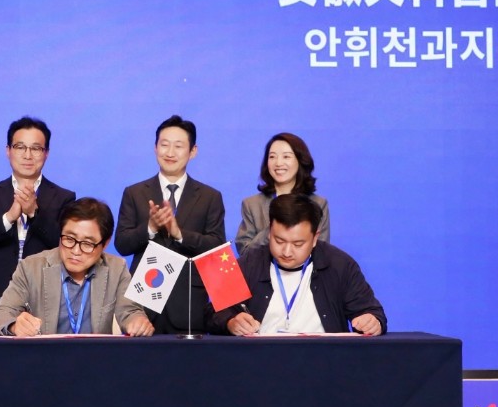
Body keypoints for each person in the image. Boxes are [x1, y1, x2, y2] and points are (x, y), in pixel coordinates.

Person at [0, 117, 76, 334]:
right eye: (20, 147)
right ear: (8, 151)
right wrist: (8, 218)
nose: (27, 155)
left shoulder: (63, 198)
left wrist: (33, 213)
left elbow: (65, 246)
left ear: (46, 153)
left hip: (44, 300)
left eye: (36, 148)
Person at [210, 194, 385, 336]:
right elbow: (213, 313)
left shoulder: (340, 265)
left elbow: (371, 311)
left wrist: (371, 321)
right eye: (279, 241)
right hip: (261, 359)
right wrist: (230, 322)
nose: (287, 252)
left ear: (315, 238)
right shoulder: (250, 262)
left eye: (298, 244)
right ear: (270, 231)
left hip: (325, 360)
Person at [115, 115, 226, 334]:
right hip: (144, 304)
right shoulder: (135, 193)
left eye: (179, 146)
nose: (170, 152)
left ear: (193, 151)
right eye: (164, 145)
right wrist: (150, 228)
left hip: (189, 304)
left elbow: (216, 247)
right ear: (155, 148)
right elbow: (122, 244)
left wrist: (179, 234)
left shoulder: (210, 197)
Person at [0, 198, 154, 337]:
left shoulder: (117, 269)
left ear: (105, 243)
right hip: (45, 360)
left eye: (87, 243)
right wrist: (14, 325)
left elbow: (130, 311)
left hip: (96, 360)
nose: (75, 251)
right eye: (69, 239)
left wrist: (137, 322)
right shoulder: (31, 267)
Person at [235, 132, 330, 253]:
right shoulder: (252, 204)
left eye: (286, 157)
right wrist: (272, 230)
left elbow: (322, 252)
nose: (278, 163)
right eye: (272, 157)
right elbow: (245, 251)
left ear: (300, 160)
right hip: (263, 266)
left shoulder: (318, 203)